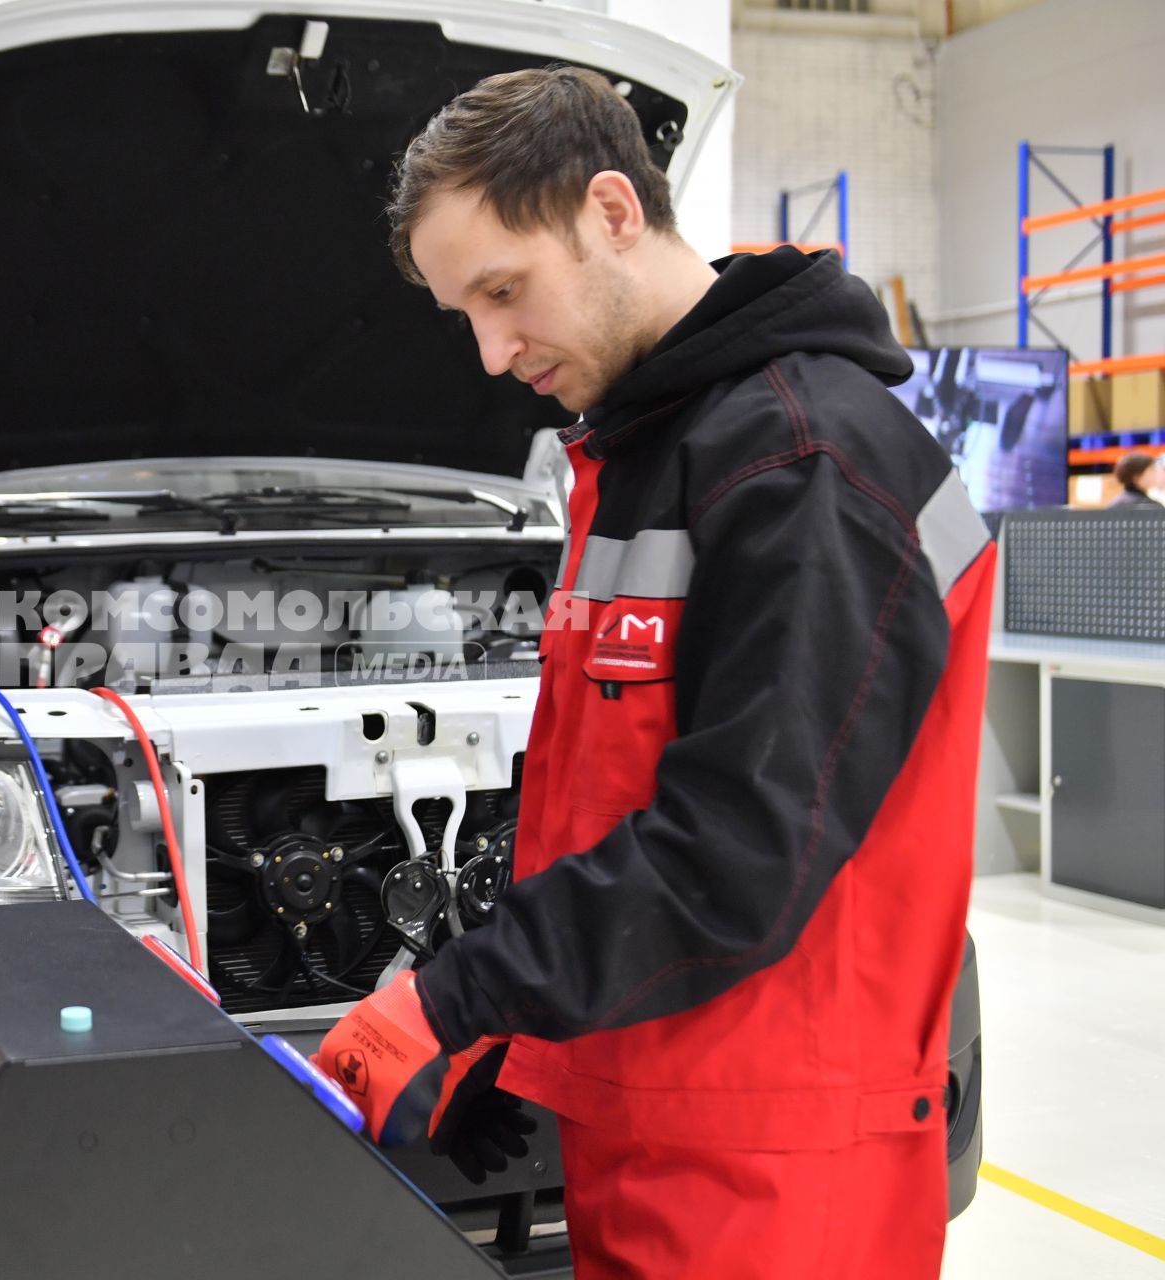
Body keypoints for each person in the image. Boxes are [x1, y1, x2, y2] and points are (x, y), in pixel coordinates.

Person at [315, 68, 995, 1277]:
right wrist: (511, 1035)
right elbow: (604, 808)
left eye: (504, 291)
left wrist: (461, 996)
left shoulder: (804, 463)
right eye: (462, 310)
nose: (488, 351)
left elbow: (735, 850)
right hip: (653, 1128)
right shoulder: (647, 452)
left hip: (780, 1178)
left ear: (614, 212)